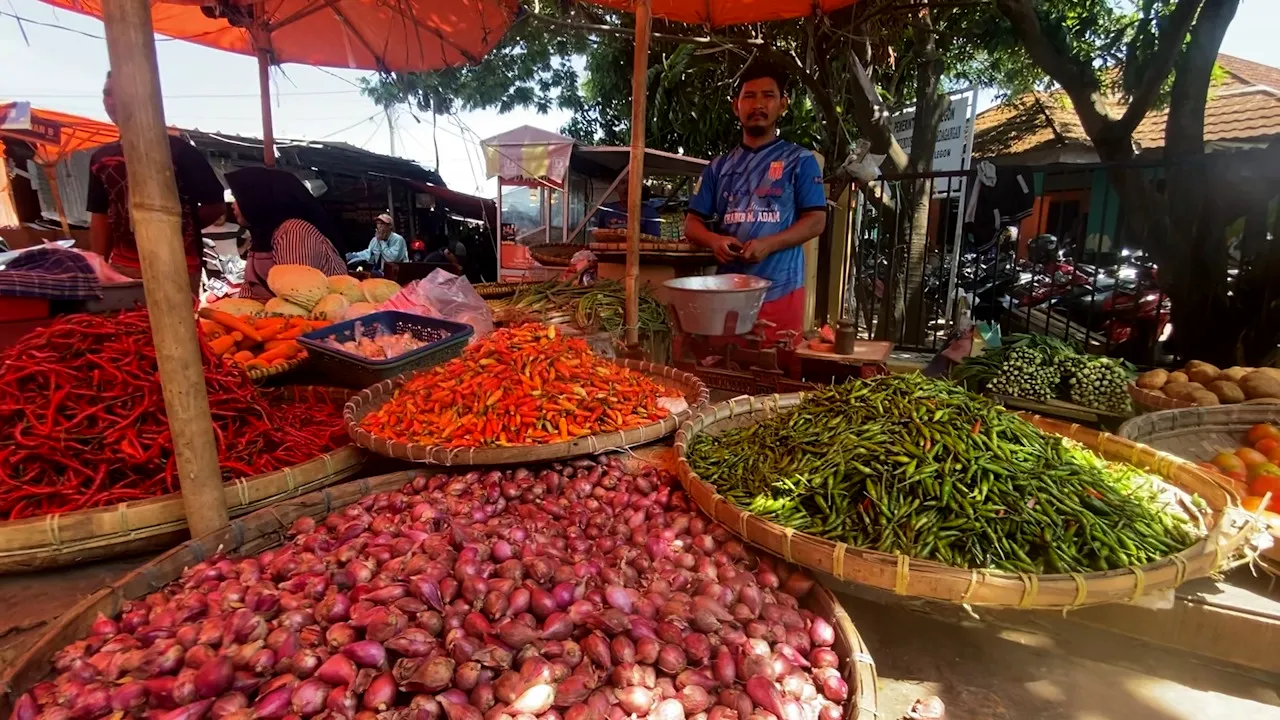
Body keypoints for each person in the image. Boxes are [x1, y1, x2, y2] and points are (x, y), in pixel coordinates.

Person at [685, 61, 827, 342]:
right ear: (735, 106)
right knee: (726, 371)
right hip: (728, 297)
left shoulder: (800, 161)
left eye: (768, 96)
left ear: (783, 105)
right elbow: (692, 224)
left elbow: (816, 221)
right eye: (749, 96)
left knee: (777, 375)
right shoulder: (718, 167)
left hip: (782, 292)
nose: (758, 104)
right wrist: (714, 242)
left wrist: (768, 244)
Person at [87, 71, 226, 294]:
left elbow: (215, 206)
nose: (112, 102)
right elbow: (100, 215)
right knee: (123, 324)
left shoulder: (180, 152)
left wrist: (171, 230)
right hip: (122, 265)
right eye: (107, 94)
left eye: (121, 94)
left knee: (180, 326)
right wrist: (97, 265)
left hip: (177, 263)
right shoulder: (100, 159)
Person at [224, 167, 346, 301]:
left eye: (237, 198)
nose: (232, 205)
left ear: (257, 198)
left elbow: (296, 296)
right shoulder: (262, 235)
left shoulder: (294, 232)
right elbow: (250, 288)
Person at [592, 176, 662, 237]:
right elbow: (599, 236)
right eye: (623, 182)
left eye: (631, 182)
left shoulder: (649, 213)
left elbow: (654, 241)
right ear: (616, 187)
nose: (627, 187)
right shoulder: (606, 210)